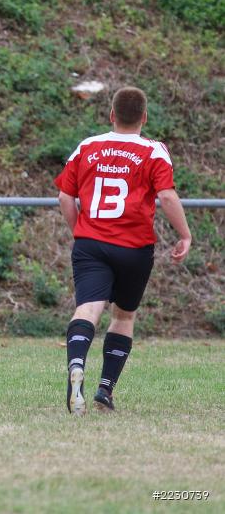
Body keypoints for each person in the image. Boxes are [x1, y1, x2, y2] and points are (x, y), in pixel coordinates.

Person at [55, 87, 192, 416]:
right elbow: (168, 197)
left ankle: (77, 366)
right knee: (123, 316)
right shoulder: (154, 151)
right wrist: (184, 235)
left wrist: (81, 231)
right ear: (144, 117)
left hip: (91, 244)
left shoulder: (87, 146)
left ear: (111, 115)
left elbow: (64, 196)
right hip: (134, 247)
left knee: (88, 310)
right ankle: (104, 391)